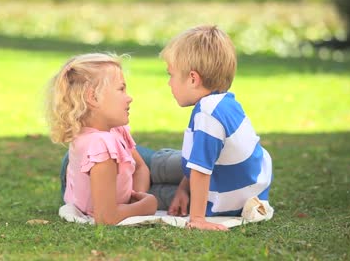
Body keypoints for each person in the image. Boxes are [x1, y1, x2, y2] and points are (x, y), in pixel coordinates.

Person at [160, 25, 273, 231]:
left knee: (147, 174)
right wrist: (183, 189)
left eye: (171, 75)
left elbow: (201, 170)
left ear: (193, 78)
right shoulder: (226, 104)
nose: (169, 83)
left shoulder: (207, 113)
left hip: (223, 201)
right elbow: (205, 161)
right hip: (246, 192)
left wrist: (197, 219)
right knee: (159, 171)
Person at [46, 53, 158, 225]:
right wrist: (146, 206)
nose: (129, 97)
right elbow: (105, 218)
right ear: (93, 97)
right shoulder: (100, 144)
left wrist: (136, 197)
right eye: (121, 89)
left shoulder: (114, 130)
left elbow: (140, 168)